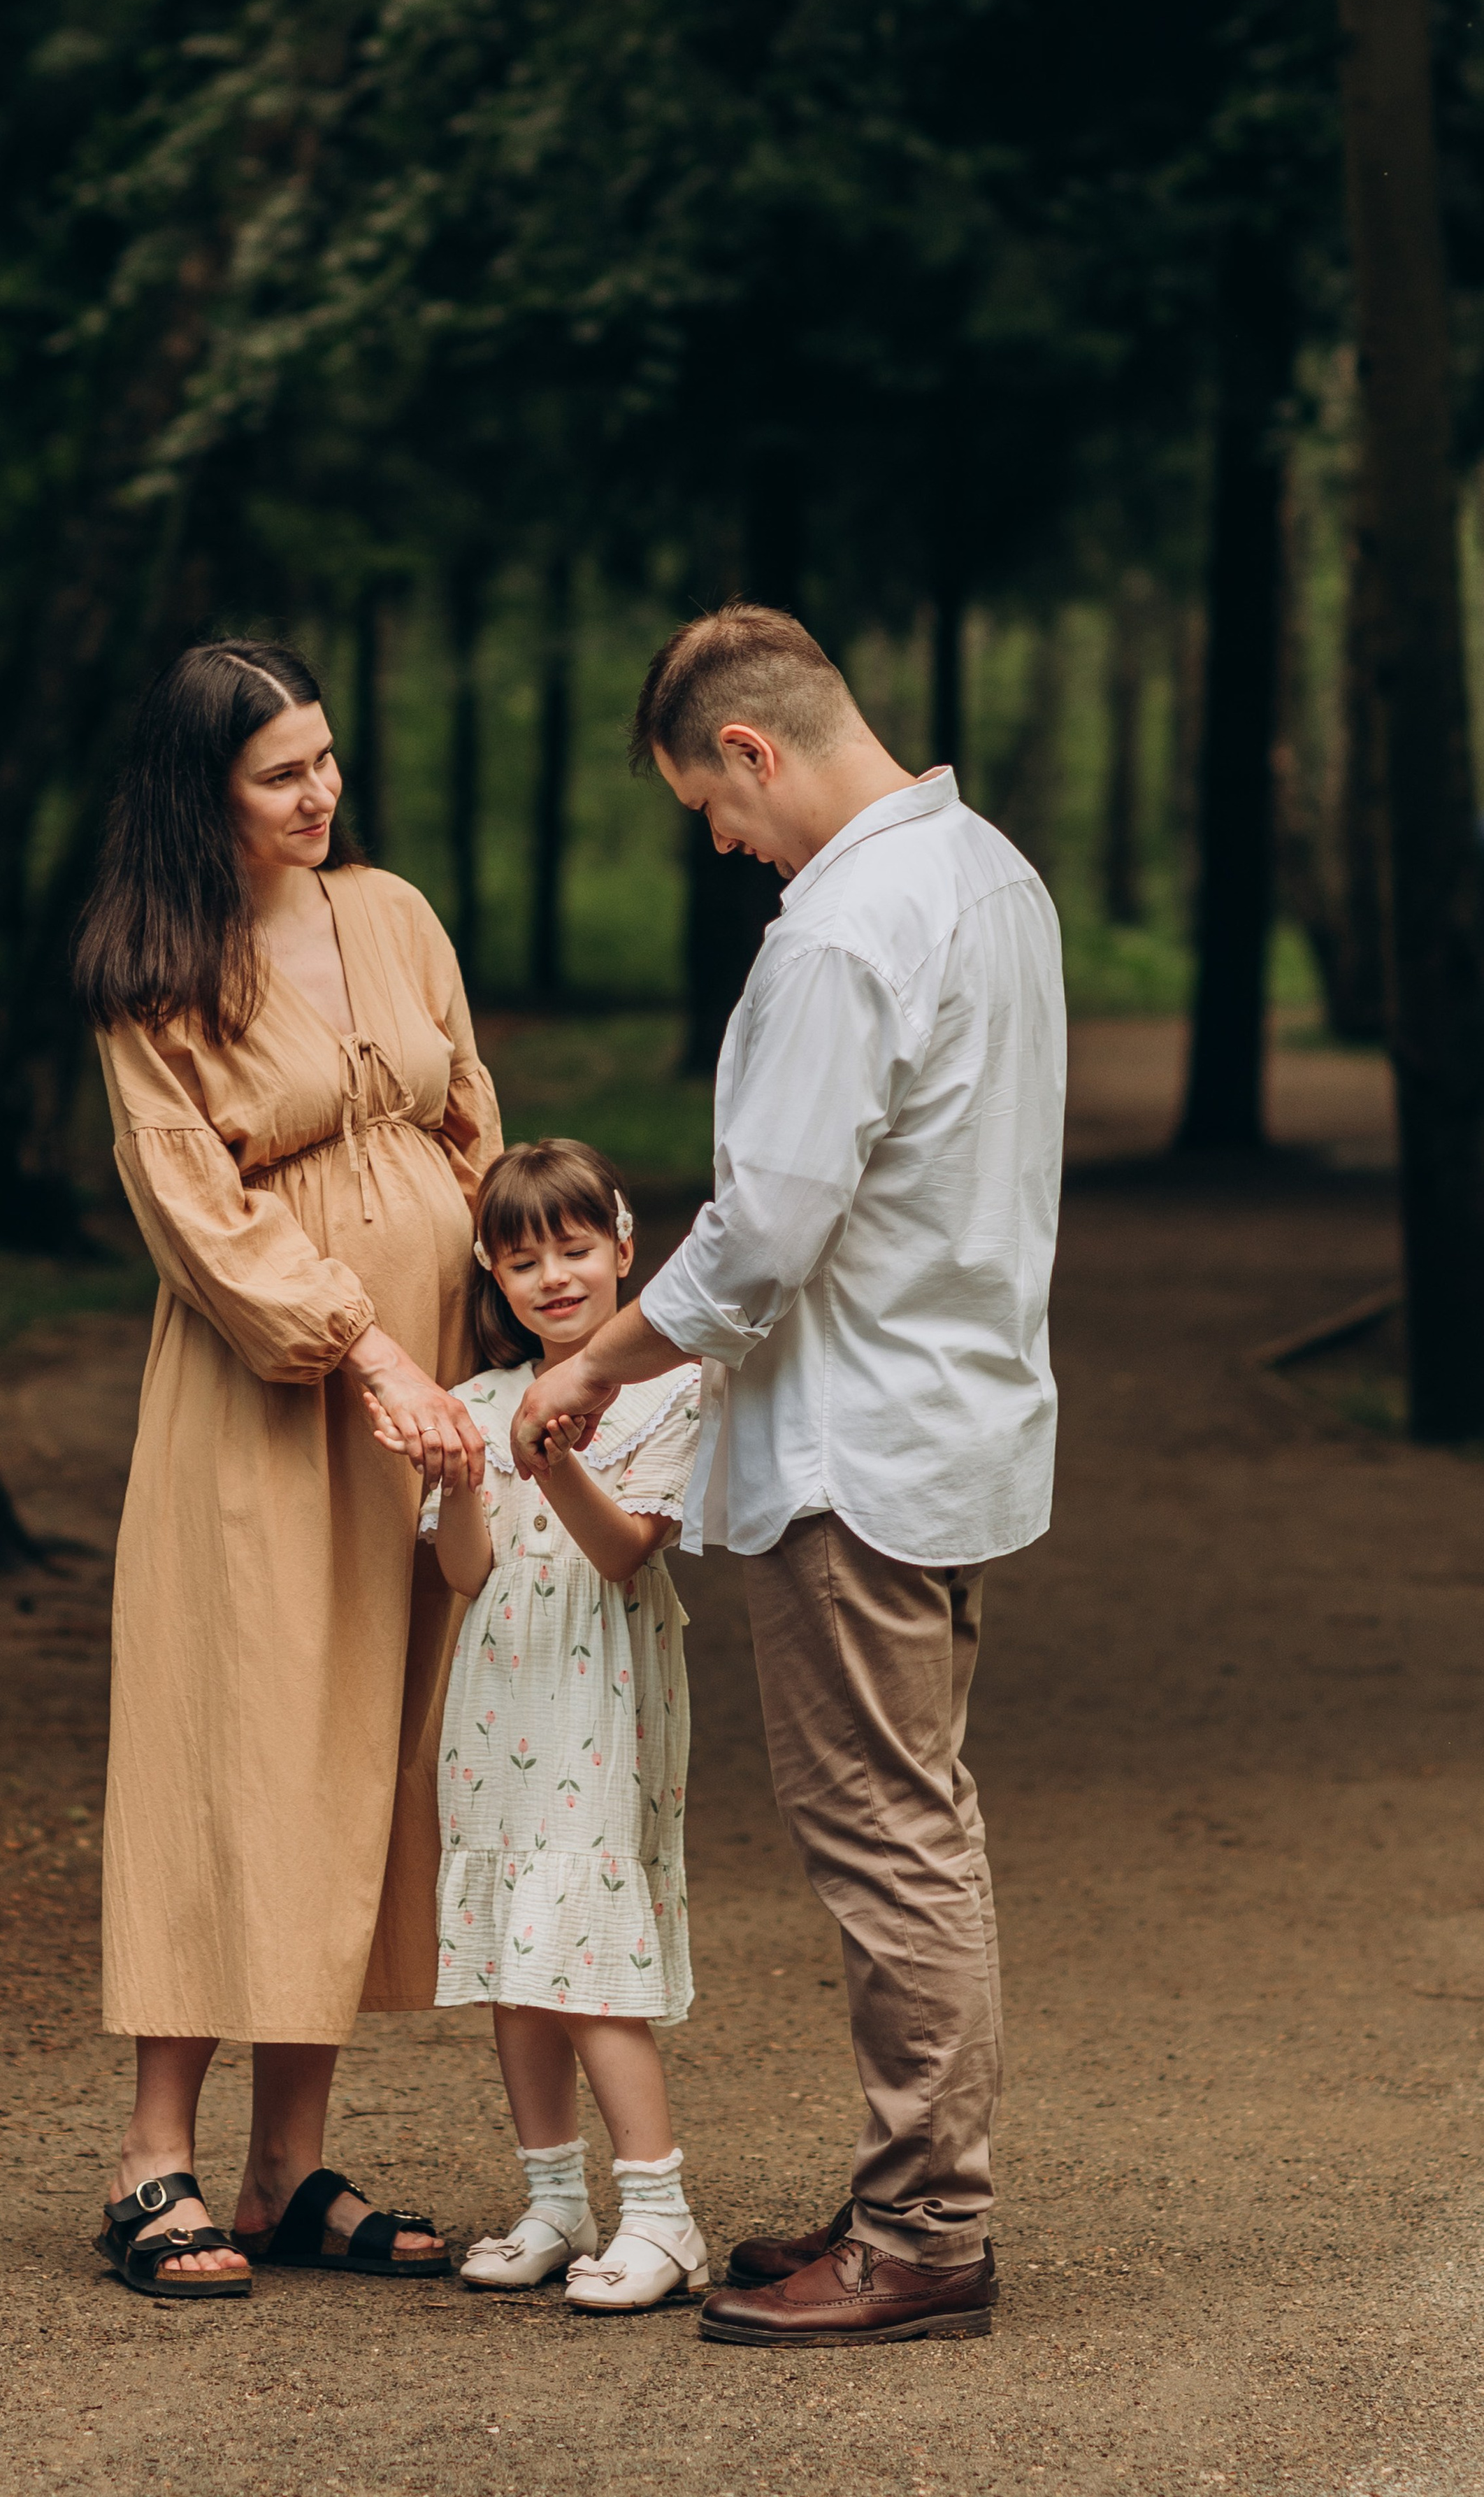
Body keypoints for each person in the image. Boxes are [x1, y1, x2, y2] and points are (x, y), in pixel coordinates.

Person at [513, 604, 1065, 2347]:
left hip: (856, 1443)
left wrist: (595, 1362)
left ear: (750, 750)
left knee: (889, 1842)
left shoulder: (839, 927)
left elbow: (764, 1230)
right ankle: (910, 2195)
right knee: (921, 1819)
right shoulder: (993, 877)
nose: (720, 841)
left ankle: (920, 2235)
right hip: (952, 1412)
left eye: (707, 807)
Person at [71, 639, 500, 2299]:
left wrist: (497, 1334)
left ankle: (284, 2169)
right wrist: (366, 1345)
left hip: (416, 1402)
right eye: (280, 773)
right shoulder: (149, 968)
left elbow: (467, 1119)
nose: (322, 791)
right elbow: (197, 1213)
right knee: (226, 1737)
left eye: (326, 757)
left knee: (360, 1751)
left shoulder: (391, 915)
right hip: (266, 1406)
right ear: (203, 794)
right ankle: (151, 2162)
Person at [366, 1138, 708, 2312]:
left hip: (602, 1696)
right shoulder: (473, 1402)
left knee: (587, 1954)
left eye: (575, 1249)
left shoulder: (672, 1387)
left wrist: (551, 1456)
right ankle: (555, 2201)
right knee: (520, 1953)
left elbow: (624, 1553)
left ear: (623, 1247)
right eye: (525, 1261)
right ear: (493, 1278)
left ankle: (661, 2213)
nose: (555, 1278)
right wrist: (465, 1474)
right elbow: (466, 1574)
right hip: (497, 1696)